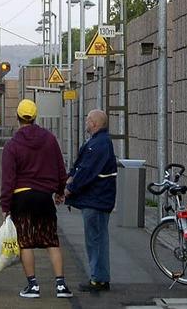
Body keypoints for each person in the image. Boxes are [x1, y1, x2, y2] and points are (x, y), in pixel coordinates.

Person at [0, 99, 73, 299]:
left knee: (25, 242)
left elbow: (8, 178)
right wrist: (59, 191)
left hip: (21, 198)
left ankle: (33, 286)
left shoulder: (12, 144)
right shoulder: (49, 139)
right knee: (51, 241)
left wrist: (5, 205)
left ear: (18, 118)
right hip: (43, 197)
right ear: (34, 117)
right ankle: (61, 285)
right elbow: (60, 169)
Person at [65, 109, 117, 292]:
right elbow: (81, 167)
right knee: (95, 239)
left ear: (95, 123)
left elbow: (87, 171)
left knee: (95, 240)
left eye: (88, 120)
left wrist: (69, 188)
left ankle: (99, 279)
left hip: (97, 200)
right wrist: (71, 177)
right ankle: (98, 276)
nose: (86, 122)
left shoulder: (99, 144)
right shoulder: (98, 142)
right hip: (96, 199)